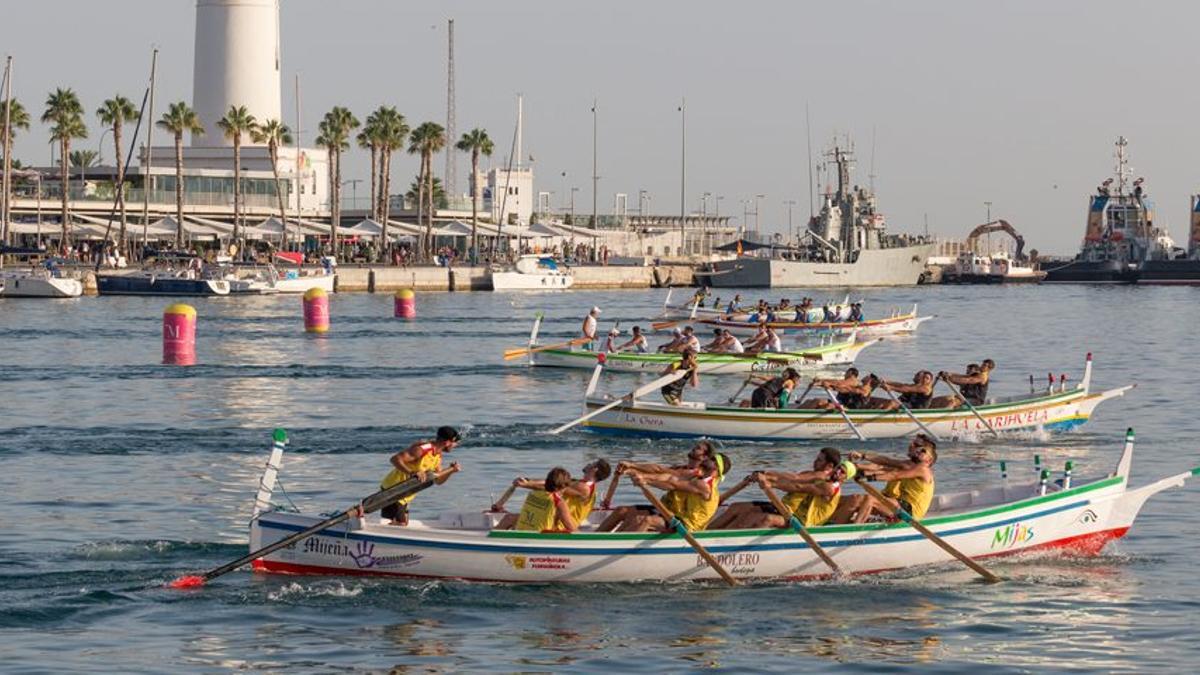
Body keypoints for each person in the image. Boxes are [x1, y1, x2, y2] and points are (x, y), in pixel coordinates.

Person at [710, 448, 854, 530]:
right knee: (737, 508)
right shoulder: (815, 474)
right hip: (786, 509)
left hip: (801, 521)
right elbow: (792, 477)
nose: (814, 461)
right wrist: (766, 475)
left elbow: (796, 483)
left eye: (819, 460)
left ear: (829, 466)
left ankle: (727, 543)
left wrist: (769, 481)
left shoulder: (824, 480)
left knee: (759, 518)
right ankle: (708, 534)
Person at [600, 456, 726, 533]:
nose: (708, 459)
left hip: (688, 525)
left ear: (717, 470)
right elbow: (667, 475)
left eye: (712, 459)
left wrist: (646, 480)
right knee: (621, 510)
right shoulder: (696, 474)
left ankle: (619, 548)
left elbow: (672, 484)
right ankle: (598, 537)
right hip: (672, 513)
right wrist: (633, 470)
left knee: (645, 520)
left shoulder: (704, 485)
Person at [832, 434, 937, 523]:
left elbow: (894, 475)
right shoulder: (907, 464)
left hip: (910, 511)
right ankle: (834, 523)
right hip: (899, 503)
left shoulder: (923, 469)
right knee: (855, 498)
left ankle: (853, 531)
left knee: (869, 499)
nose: (913, 447)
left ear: (929, 460)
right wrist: (861, 459)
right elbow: (884, 463)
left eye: (921, 449)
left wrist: (868, 477)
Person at [379, 426, 462, 526]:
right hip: (393, 489)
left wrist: (450, 471)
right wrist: (412, 472)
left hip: (406, 494)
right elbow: (395, 459)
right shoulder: (422, 449)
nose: (455, 445)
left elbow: (438, 480)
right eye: (455, 443)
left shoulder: (438, 456)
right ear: (447, 442)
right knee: (401, 524)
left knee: (402, 524)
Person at [505, 467, 580, 533]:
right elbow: (571, 528)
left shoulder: (533, 493)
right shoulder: (558, 502)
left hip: (520, 532)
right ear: (564, 487)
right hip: (539, 538)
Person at [797, 367, 862, 409]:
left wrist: (822, 381)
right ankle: (796, 413)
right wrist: (819, 382)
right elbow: (835, 385)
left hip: (844, 405)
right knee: (809, 401)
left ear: (850, 373)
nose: (844, 375)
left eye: (846, 373)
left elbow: (839, 383)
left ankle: (801, 417)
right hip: (838, 401)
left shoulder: (853, 380)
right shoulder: (847, 382)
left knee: (818, 401)